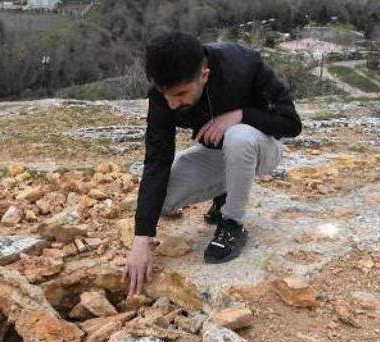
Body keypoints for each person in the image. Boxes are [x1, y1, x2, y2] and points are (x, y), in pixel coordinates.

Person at [124, 31, 302, 295]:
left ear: (204, 75)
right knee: (160, 202)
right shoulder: (163, 94)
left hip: (260, 148)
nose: (172, 105)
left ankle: (232, 223)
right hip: (214, 153)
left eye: (181, 94)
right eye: (167, 96)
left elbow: (291, 123)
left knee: (238, 137)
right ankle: (223, 192)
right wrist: (142, 240)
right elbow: (157, 159)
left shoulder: (244, 64)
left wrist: (240, 116)